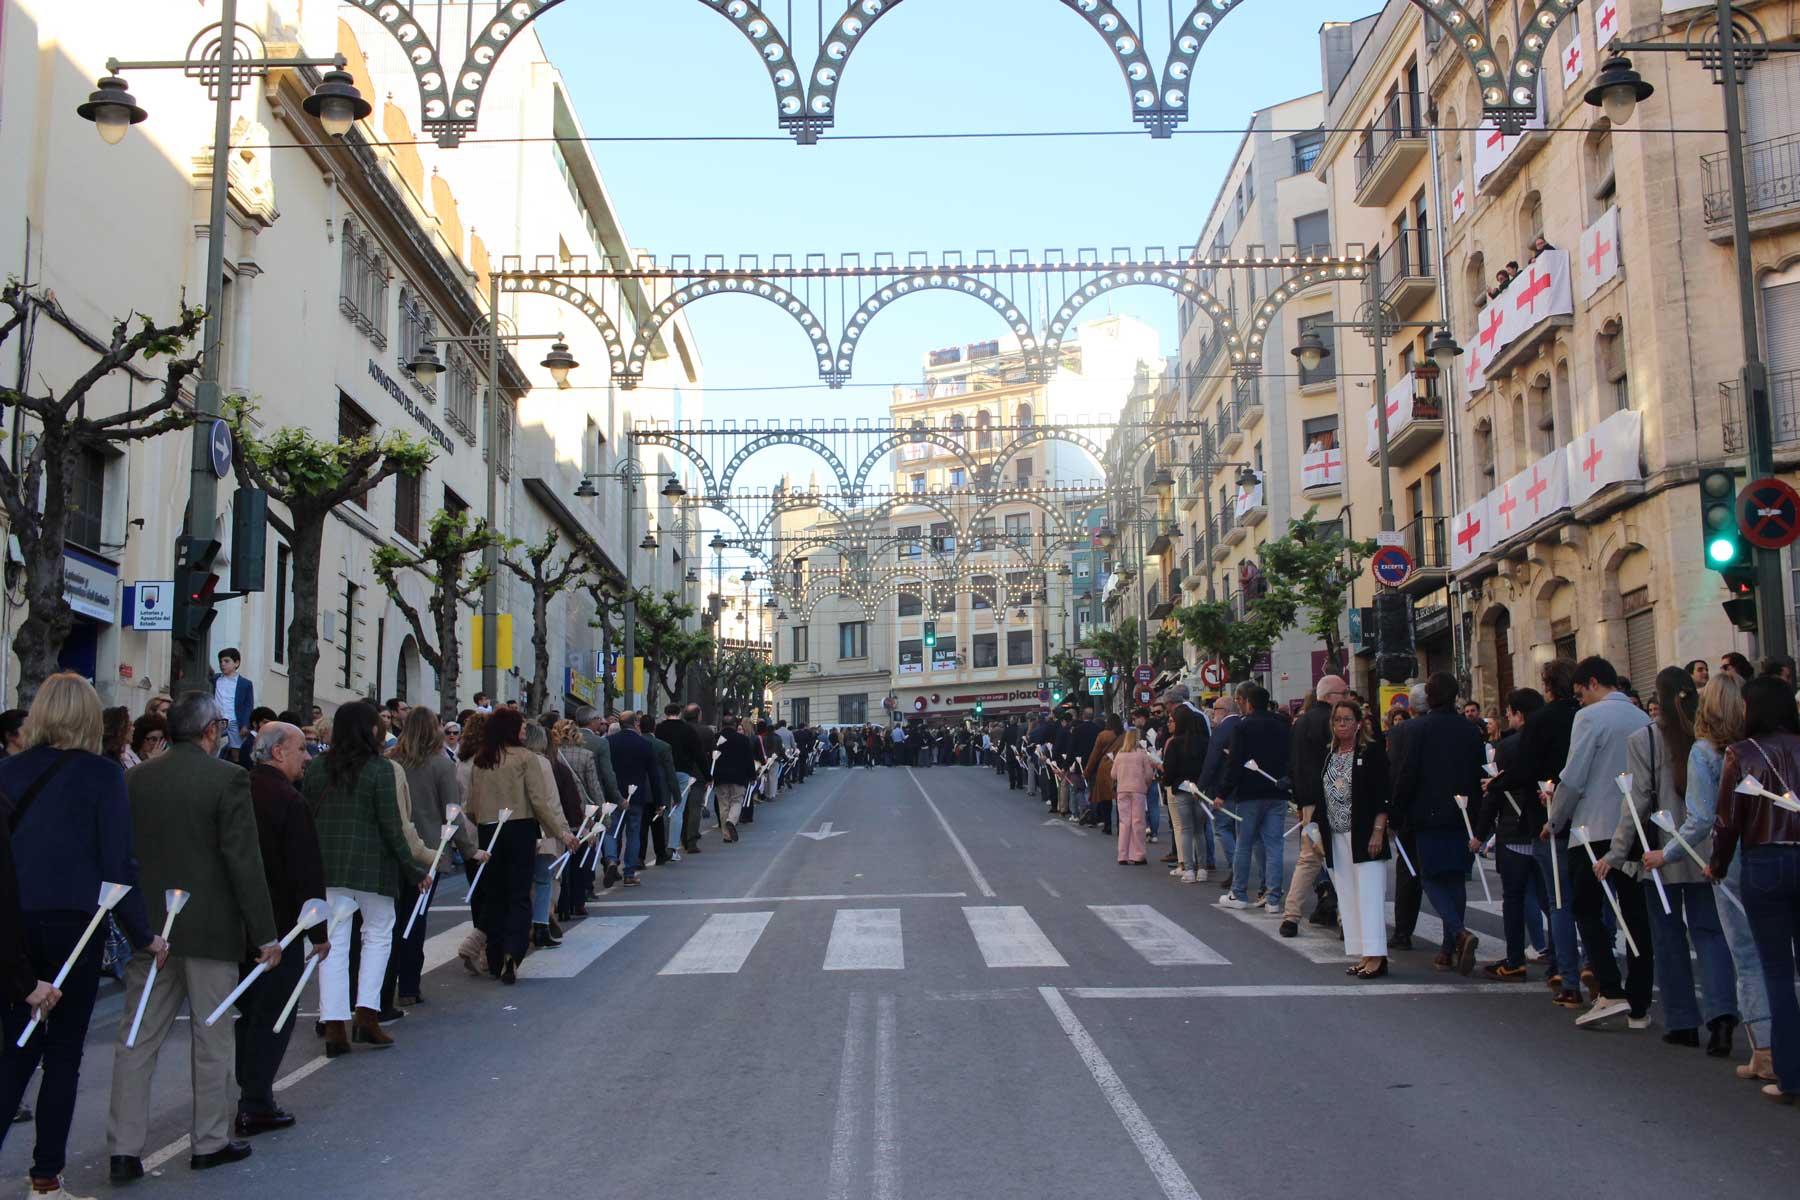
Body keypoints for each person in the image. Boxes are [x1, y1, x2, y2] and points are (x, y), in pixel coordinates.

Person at [0, 675, 160, 1197]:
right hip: (77, 924)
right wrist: (145, 935)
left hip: (14, 925)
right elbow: (120, 865)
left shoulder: (8, 772)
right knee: (63, 1054)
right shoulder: (102, 776)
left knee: (16, 1049)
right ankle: (46, 1178)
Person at [107, 690, 277, 1179]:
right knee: (212, 1038)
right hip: (211, 929)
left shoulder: (136, 777)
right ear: (209, 731)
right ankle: (208, 1140)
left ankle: (123, 1147)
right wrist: (265, 934)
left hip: (151, 929)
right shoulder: (228, 779)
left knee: (137, 1038)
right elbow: (244, 861)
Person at [1614, 667, 1739, 1052]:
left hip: (1661, 852)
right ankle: (1721, 1016)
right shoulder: (1711, 740)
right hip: (1706, 850)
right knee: (1711, 933)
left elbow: (1636, 801)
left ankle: (1683, 1020)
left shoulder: (1644, 740)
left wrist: (1618, 851)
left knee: (1667, 936)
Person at [303, 700, 427, 1050]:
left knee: (334, 944)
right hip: (374, 868)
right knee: (376, 937)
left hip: (328, 866)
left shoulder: (316, 769)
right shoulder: (380, 770)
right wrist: (412, 869)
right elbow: (393, 827)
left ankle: (334, 1024)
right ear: (373, 730)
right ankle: (367, 1015)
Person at [1549, 656, 1654, 1029]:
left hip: (1592, 829)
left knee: (1586, 909)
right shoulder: (1642, 718)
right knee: (1635, 913)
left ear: (1593, 683)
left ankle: (1610, 988)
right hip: (1635, 829)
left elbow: (1574, 777)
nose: (1579, 702)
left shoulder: (1589, 718)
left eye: (1580, 694)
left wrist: (1556, 818)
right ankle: (1640, 1003)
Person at [1709, 676, 1800, 1102]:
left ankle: (1790, 1073)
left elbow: (1727, 821)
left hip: (1764, 861)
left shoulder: (1741, 754)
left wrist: (1718, 864)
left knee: (1777, 970)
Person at [234, 722, 328, 1138]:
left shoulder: (238, 790)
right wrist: (318, 932)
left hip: (237, 923)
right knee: (275, 1014)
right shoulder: (289, 800)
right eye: (301, 749)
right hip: (281, 926)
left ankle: (249, 1091)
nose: (307, 757)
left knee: (250, 1011)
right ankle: (255, 1101)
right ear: (277, 754)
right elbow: (306, 871)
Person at [1687, 674, 1773, 1081]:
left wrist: (1667, 853)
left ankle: (1765, 1050)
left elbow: (1705, 818)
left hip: (1730, 860)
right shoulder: (1757, 749)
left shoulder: (1704, 753)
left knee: (1747, 956)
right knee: (1777, 953)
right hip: (1768, 852)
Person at [465, 709, 571, 981]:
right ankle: (514, 952)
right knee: (519, 894)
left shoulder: (481, 759)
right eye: (521, 728)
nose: (525, 732)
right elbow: (538, 800)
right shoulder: (525, 758)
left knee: (496, 893)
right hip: (521, 827)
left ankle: (495, 953)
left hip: (489, 829)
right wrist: (559, 832)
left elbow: (471, 806)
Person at [1394, 673, 1486, 975]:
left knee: (1430, 877)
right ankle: (1448, 949)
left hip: (1428, 814)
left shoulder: (1416, 729)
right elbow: (1477, 775)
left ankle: (1458, 933)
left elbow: (1407, 774)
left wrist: (1398, 812)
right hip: (1463, 814)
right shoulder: (1471, 731)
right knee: (1455, 879)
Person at [389, 708, 470, 1004]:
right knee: (416, 918)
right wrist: (469, 849)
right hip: (429, 853)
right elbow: (452, 813)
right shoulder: (440, 765)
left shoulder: (391, 760)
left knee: (391, 920)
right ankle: (409, 985)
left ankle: (386, 981)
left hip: (395, 848)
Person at [1520, 659, 1583, 1006]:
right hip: (1588, 819)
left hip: (1549, 818)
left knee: (1559, 901)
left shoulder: (1541, 720)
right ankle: (1596, 966)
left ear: (1548, 685)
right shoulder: (1582, 716)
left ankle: (1566, 974)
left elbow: (1526, 766)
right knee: (1595, 899)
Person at [1474, 688, 1548, 981]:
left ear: (1518, 714)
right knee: (1550, 899)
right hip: (1543, 830)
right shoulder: (1550, 741)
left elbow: (1496, 794)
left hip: (1513, 831)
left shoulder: (1510, 746)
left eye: (1509, 712)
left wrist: (1480, 834)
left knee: (1514, 899)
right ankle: (1557, 958)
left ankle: (1515, 959)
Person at [1320, 699, 1392, 977]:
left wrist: (1378, 829)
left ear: (1359, 723)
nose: (1341, 725)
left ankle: (1377, 956)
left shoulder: (1371, 752)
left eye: (1347, 719)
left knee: (1370, 894)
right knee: (1349, 895)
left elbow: (1383, 793)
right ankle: (1364, 951)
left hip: (1364, 834)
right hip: (1337, 834)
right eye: (1337, 720)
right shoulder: (1331, 754)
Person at [1281, 676, 1345, 938]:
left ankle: (1291, 916)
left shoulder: (1300, 722)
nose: (1348, 697)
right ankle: (1345, 918)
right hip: (1337, 799)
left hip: (1309, 802)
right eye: (1344, 692)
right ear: (1331, 695)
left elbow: (1294, 764)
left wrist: (1299, 799)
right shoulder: (1337, 722)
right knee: (1341, 860)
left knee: (1308, 860)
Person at [1219, 684, 1290, 914]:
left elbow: (1235, 763)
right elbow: (1292, 757)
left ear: (1249, 703)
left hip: (1249, 794)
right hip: (1277, 792)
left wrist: (1223, 792)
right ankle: (1273, 898)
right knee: (1274, 845)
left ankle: (1238, 893)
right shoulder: (1283, 725)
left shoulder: (1243, 727)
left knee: (1244, 843)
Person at [524, 723, 580, 949]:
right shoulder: (542, 763)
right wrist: (564, 832)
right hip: (543, 829)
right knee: (544, 879)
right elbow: (550, 802)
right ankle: (540, 926)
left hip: (513, 828)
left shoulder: (504, 759)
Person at [1161, 706, 1210, 883]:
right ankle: (1203, 868)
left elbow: (1169, 770)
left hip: (1181, 789)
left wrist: (1168, 782)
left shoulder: (1175, 743)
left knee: (1185, 830)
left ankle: (1189, 868)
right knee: (1200, 830)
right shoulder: (1205, 742)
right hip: (1201, 790)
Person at [1110, 730, 1155, 866]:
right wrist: (1146, 784)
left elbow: (1113, 774)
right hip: (1138, 790)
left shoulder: (1120, 754)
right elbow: (1148, 775)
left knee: (1124, 822)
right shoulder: (1141, 754)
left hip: (1123, 790)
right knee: (1138, 822)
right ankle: (1138, 855)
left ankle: (1122, 855)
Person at [713, 715, 757, 842]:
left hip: (720, 776)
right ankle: (731, 821)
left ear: (722, 724)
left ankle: (726, 835)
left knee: (723, 804)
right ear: (734, 725)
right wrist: (752, 775)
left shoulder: (716, 738)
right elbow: (749, 759)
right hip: (739, 776)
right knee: (737, 801)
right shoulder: (743, 739)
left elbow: (711, 758)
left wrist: (709, 776)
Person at [681, 704, 715, 854]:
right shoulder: (706, 731)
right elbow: (710, 754)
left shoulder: (680, 730)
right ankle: (691, 840)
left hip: (681, 773)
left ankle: (682, 837)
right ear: (699, 715)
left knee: (681, 808)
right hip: (699, 774)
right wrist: (708, 775)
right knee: (695, 808)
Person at [210, 648, 255, 761]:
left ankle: (236, 767)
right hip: (218, 720)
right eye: (220, 661)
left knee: (237, 750)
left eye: (226, 661)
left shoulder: (245, 684)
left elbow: (248, 705)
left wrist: (245, 724)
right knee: (213, 744)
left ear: (236, 663)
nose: (222, 664)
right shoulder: (215, 680)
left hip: (235, 721)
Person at [1082, 715, 1123, 833]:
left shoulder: (1103, 735)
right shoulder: (1124, 735)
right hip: (1121, 767)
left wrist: (1087, 772)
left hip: (1105, 769)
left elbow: (1094, 755)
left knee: (1106, 798)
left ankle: (1107, 826)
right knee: (1120, 798)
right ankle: (1121, 827)